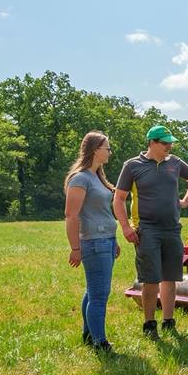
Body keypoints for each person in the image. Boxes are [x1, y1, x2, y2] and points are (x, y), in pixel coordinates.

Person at [113, 125, 188, 341]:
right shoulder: (132, 166)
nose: (169, 147)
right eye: (165, 143)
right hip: (147, 229)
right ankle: (149, 323)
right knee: (151, 278)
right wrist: (125, 227)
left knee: (170, 277)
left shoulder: (175, 163)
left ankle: (168, 321)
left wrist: (186, 201)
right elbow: (118, 198)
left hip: (172, 228)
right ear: (152, 143)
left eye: (170, 143)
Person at [64, 131, 120, 355]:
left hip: (106, 241)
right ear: (96, 149)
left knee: (92, 291)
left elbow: (104, 212)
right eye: (107, 148)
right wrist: (75, 248)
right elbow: (71, 215)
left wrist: (114, 239)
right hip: (94, 243)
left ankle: (89, 335)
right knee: (100, 295)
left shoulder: (97, 177)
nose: (109, 152)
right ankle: (101, 342)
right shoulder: (80, 179)